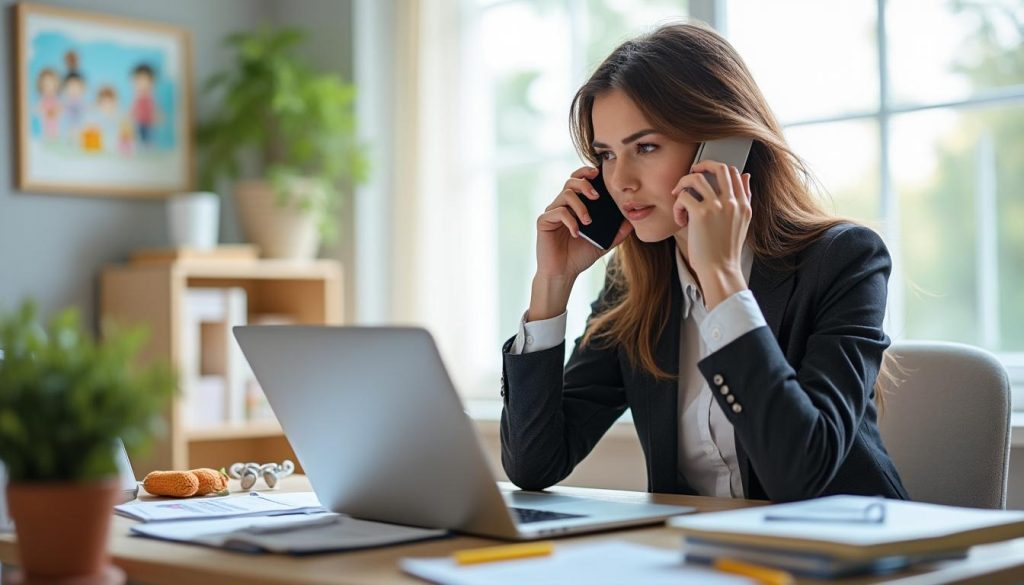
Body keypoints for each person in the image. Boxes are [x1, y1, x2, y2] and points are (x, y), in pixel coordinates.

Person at [499, 22, 909, 503]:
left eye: (646, 147)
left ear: (723, 147)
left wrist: (722, 281)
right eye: (607, 155)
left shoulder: (844, 260)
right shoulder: (634, 284)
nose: (621, 181)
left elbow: (800, 475)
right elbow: (534, 464)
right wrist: (553, 282)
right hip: (702, 560)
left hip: (843, 560)